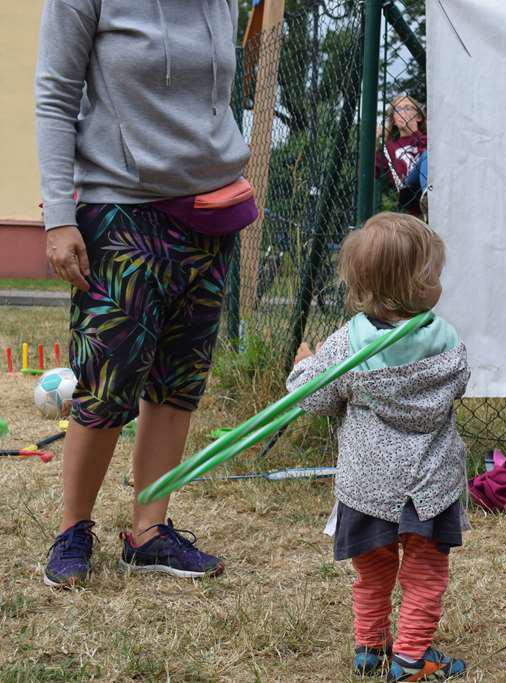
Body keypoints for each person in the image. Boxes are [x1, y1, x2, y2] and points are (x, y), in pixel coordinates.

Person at [35, 0, 252, 587]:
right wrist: (59, 218)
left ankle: (149, 531)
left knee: (179, 380)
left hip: (209, 211)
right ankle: (73, 529)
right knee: (109, 379)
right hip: (121, 209)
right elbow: (55, 96)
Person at [287, 212, 469, 680]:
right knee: (425, 574)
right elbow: (458, 385)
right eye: (435, 275)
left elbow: (313, 397)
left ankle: (370, 648)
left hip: (367, 486)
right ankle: (410, 657)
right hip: (428, 487)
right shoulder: (448, 343)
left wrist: (306, 363)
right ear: (418, 286)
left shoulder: (348, 345)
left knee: (372, 571)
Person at [376, 95, 428, 217]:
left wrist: (415, 134)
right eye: (398, 109)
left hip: (430, 180)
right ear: (393, 120)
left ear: (418, 117)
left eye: (407, 108)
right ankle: (428, 197)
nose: (402, 112)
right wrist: (374, 141)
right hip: (408, 188)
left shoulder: (428, 139)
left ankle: (427, 196)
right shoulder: (389, 148)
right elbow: (366, 172)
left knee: (428, 155)